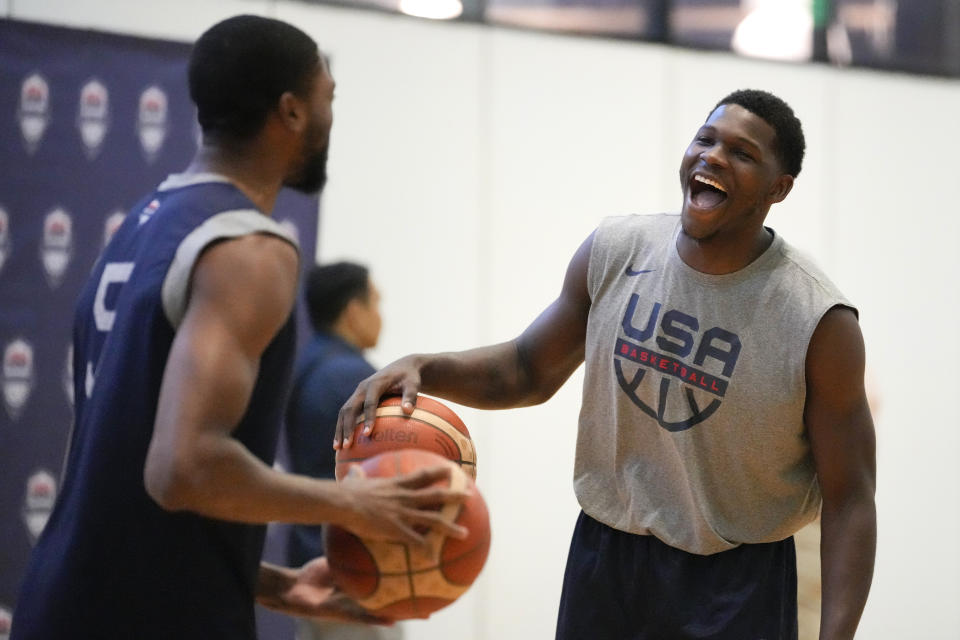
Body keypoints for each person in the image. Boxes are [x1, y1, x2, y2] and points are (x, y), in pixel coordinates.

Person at [336, 89, 877, 639]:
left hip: (737, 581)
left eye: (742, 153)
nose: (712, 156)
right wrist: (424, 368)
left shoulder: (818, 320)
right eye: (706, 138)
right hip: (607, 557)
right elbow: (527, 369)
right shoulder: (618, 249)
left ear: (778, 188)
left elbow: (851, 498)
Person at [11, 15, 466, 640]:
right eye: (327, 98)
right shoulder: (250, 248)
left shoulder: (141, 226)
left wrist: (275, 584)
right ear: (292, 111)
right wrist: (357, 502)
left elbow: (128, 483)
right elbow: (183, 468)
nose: (333, 118)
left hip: (68, 599)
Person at [286, 261, 401, 640]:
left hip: (310, 556)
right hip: (355, 568)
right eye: (376, 304)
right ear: (354, 311)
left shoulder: (305, 363)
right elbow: (395, 470)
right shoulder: (355, 379)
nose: (381, 317)